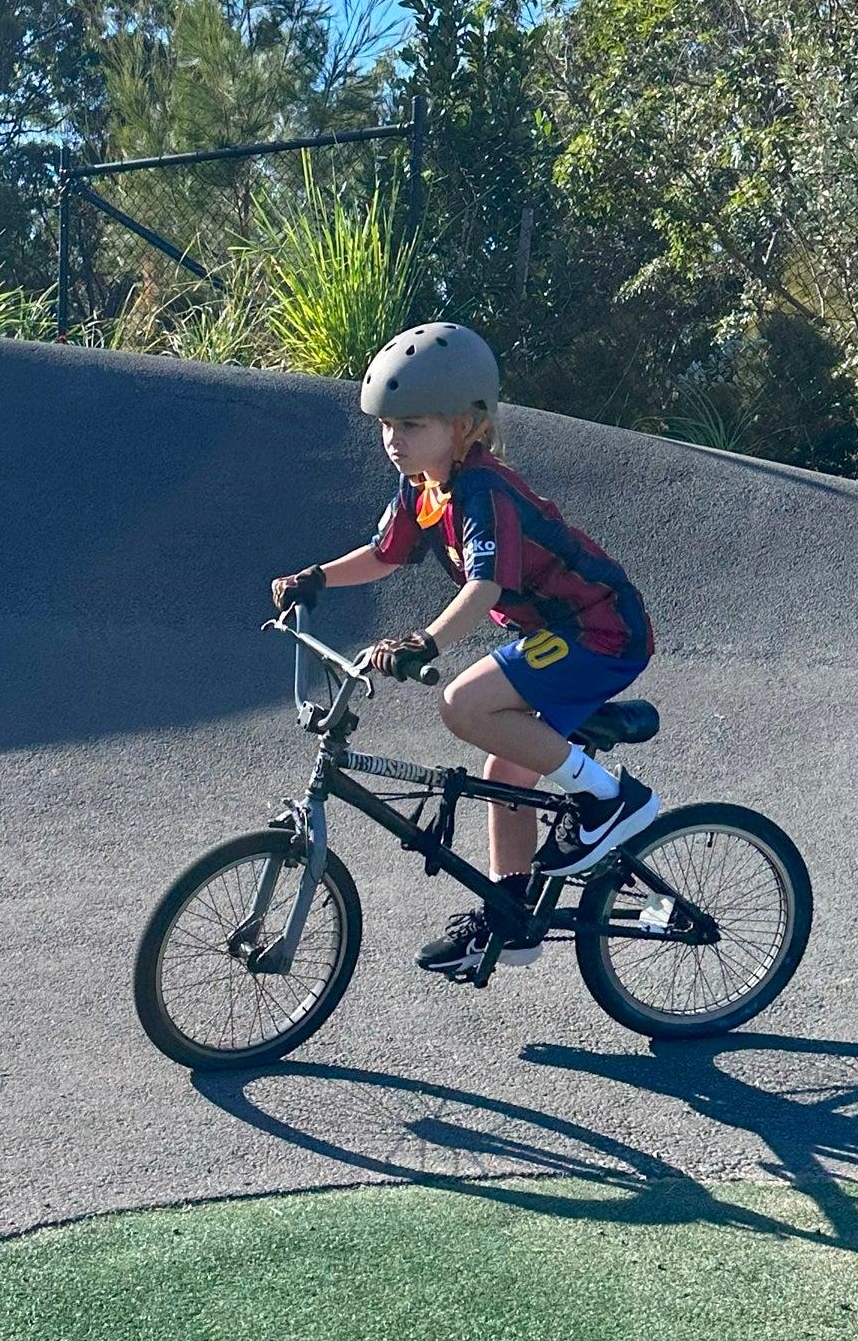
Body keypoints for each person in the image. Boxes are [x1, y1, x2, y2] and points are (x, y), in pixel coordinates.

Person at [270, 322, 658, 978]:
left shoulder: (483, 489)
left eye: (412, 425)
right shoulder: (424, 486)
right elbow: (385, 554)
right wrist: (316, 576)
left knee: (463, 702)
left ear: (465, 425)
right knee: (503, 769)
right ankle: (514, 914)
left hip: (600, 631)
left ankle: (610, 799)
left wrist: (425, 641)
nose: (394, 440)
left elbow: (486, 586)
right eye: (386, 426)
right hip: (556, 635)